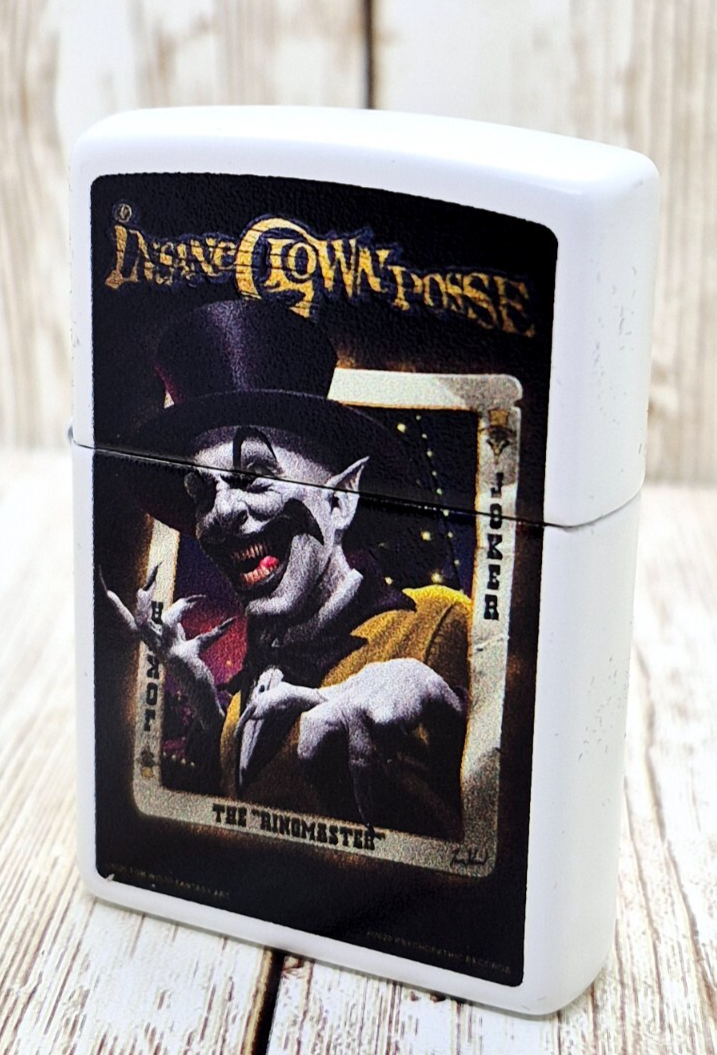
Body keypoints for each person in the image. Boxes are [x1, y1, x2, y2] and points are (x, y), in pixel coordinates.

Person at [105, 299, 471, 838]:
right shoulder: (246, 699)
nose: (220, 514)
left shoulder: (441, 623)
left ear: (341, 500)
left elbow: (503, 797)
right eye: (202, 492)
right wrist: (205, 700)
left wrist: (442, 702)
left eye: (254, 476)